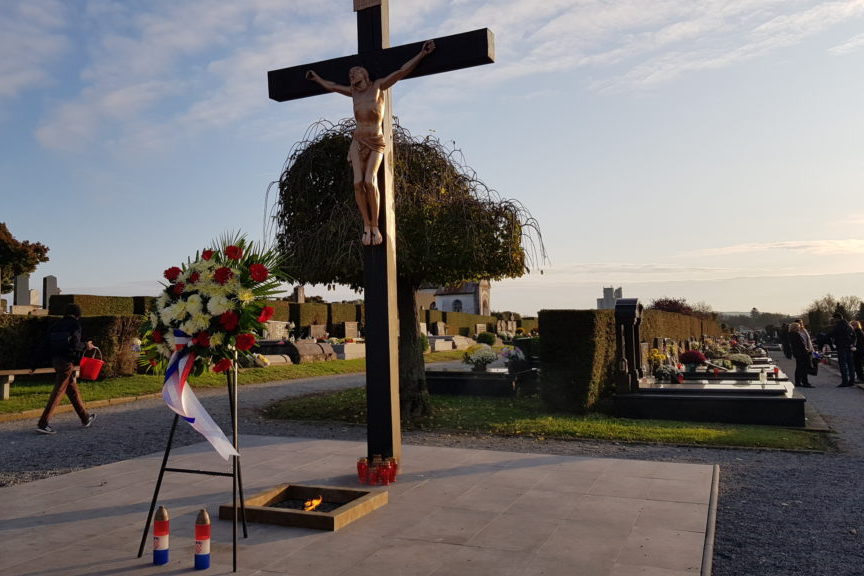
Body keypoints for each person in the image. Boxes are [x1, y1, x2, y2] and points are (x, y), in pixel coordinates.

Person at [306, 40, 436, 246]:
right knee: (357, 183)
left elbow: (401, 71)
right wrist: (317, 78)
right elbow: (332, 86)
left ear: (364, 75)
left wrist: (422, 55)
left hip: (376, 140)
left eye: (354, 73)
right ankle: (366, 226)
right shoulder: (353, 94)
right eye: (349, 74)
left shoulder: (378, 87)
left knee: (369, 181)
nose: (351, 76)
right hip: (358, 140)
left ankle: (375, 226)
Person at [36, 303, 96, 434]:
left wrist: (33, 364)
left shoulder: (56, 324)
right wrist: (86, 345)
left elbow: (45, 344)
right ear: (78, 314)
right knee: (58, 392)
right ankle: (43, 423)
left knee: (72, 389)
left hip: (56, 360)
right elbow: (75, 345)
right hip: (67, 362)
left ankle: (85, 418)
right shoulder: (75, 325)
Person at [830, 312, 856, 387]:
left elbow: (831, 334)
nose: (833, 320)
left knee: (843, 365)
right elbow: (854, 336)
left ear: (837, 318)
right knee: (851, 365)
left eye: (834, 319)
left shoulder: (838, 326)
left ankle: (845, 381)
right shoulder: (849, 325)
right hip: (849, 347)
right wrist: (852, 344)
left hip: (841, 347)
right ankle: (852, 381)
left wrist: (821, 339)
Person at [788, 322, 813, 388]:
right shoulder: (796, 334)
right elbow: (801, 344)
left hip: (797, 353)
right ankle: (805, 382)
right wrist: (807, 350)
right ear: (795, 328)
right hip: (802, 353)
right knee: (804, 368)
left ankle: (798, 382)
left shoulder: (791, 334)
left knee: (798, 368)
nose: (799, 328)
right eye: (798, 327)